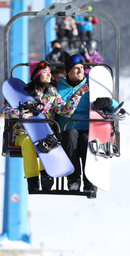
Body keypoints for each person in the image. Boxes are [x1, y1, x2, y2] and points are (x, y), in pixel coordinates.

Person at [0, 60, 89, 192]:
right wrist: (19, 113)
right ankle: (33, 180)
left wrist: (77, 96)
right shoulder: (23, 93)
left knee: (45, 139)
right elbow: (5, 111)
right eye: (45, 72)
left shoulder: (52, 93)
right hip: (23, 133)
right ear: (37, 75)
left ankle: (46, 175)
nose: (49, 75)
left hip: (44, 132)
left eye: (49, 72)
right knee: (28, 141)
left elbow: (65, 111)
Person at [55, 54, 97, 195]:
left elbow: (109, 99)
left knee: (86, 140)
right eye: (76, 68)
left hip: (86, 128)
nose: (80, 71)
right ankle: (74, 179)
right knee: (70, 134)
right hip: (68, 129)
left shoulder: (91, 86)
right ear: (68, 71)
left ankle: (89, 181)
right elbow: (61, 110)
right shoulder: (59, 89)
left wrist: (109, 103)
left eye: (82, 68)